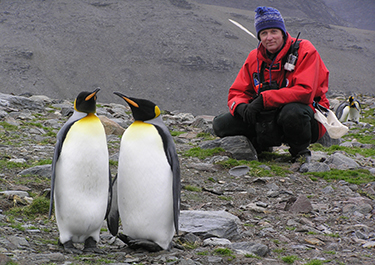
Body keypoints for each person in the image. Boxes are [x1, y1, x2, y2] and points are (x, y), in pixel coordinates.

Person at [213, 6, 330, 162]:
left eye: (274, 31)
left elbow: (305, 92)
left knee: (293, 112)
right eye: (264, 33)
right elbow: (237, 92)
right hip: (268, 116)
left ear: (282, 32)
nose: (269, 37)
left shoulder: (304, 50)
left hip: (307, 117)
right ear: (259, 37)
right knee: (221, 124)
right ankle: (261, 144)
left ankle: (300, 153)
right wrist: (242, 107)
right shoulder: (254, 57)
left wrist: (264, 99)